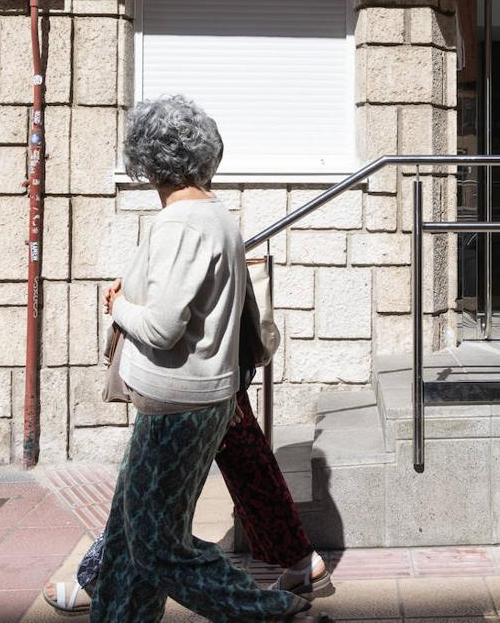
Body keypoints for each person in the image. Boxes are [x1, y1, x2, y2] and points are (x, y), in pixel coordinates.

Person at [62, 95, 327, 623]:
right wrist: (133, 291)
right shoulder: (215, 216)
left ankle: (274, 611)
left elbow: (162, 328)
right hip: (197, 401)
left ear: (149, 160)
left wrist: (119, 309)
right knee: (128, 534)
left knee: (158, 546)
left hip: (177, 404)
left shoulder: (179, 224)